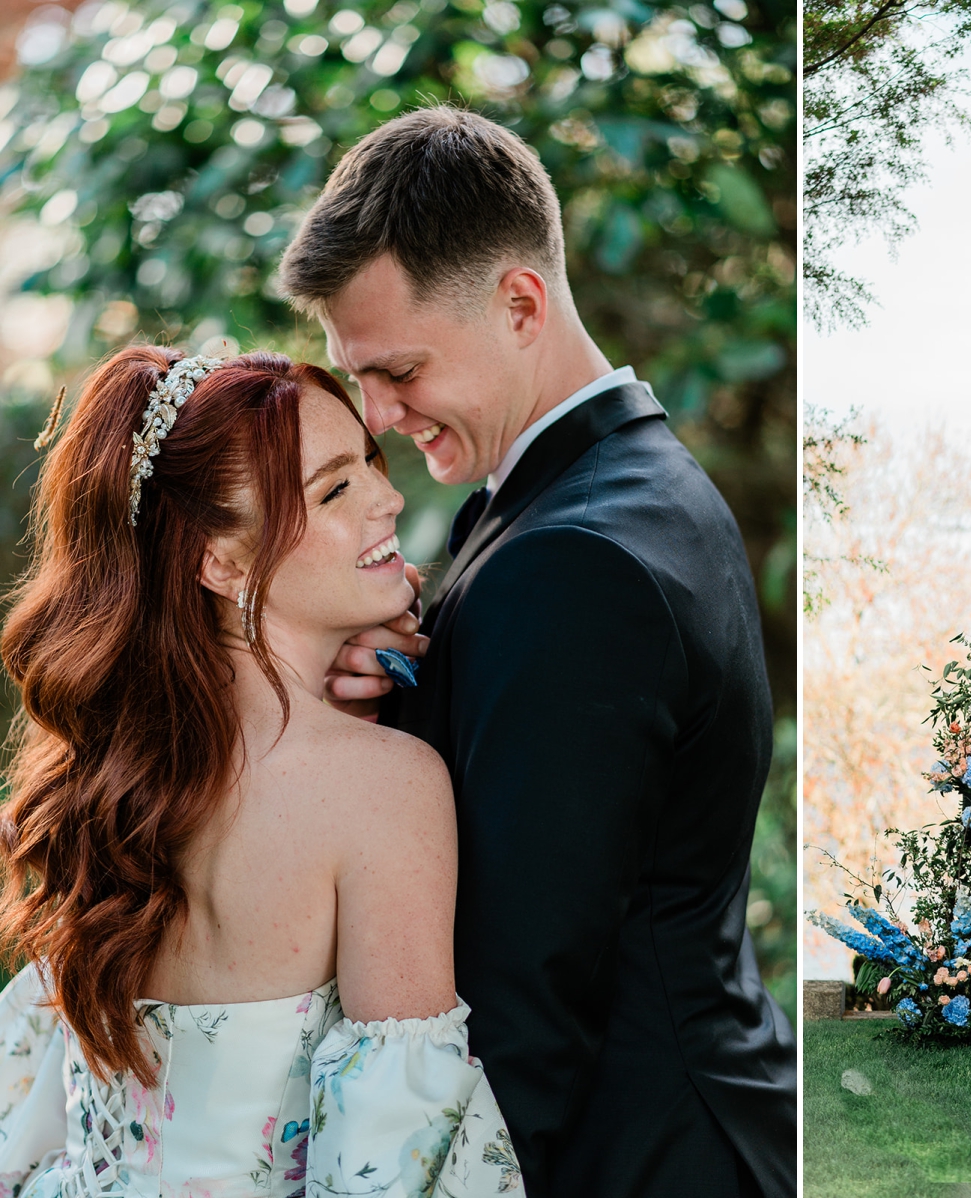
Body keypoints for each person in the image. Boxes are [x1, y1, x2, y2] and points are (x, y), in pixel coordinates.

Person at [277, 106, 796, 1197]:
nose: (375, 415)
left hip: (628, 1153)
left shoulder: (576, 560)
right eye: (355, 377)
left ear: (520, 303)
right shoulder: (618, 487)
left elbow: (522, 988)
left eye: (398, 369)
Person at [0, 347, 523, 1192]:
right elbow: (390, 1169)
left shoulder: (108, 784)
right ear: (222, 563)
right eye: (334, 490)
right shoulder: (382, 788)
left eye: (368, 465)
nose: (389, 499)